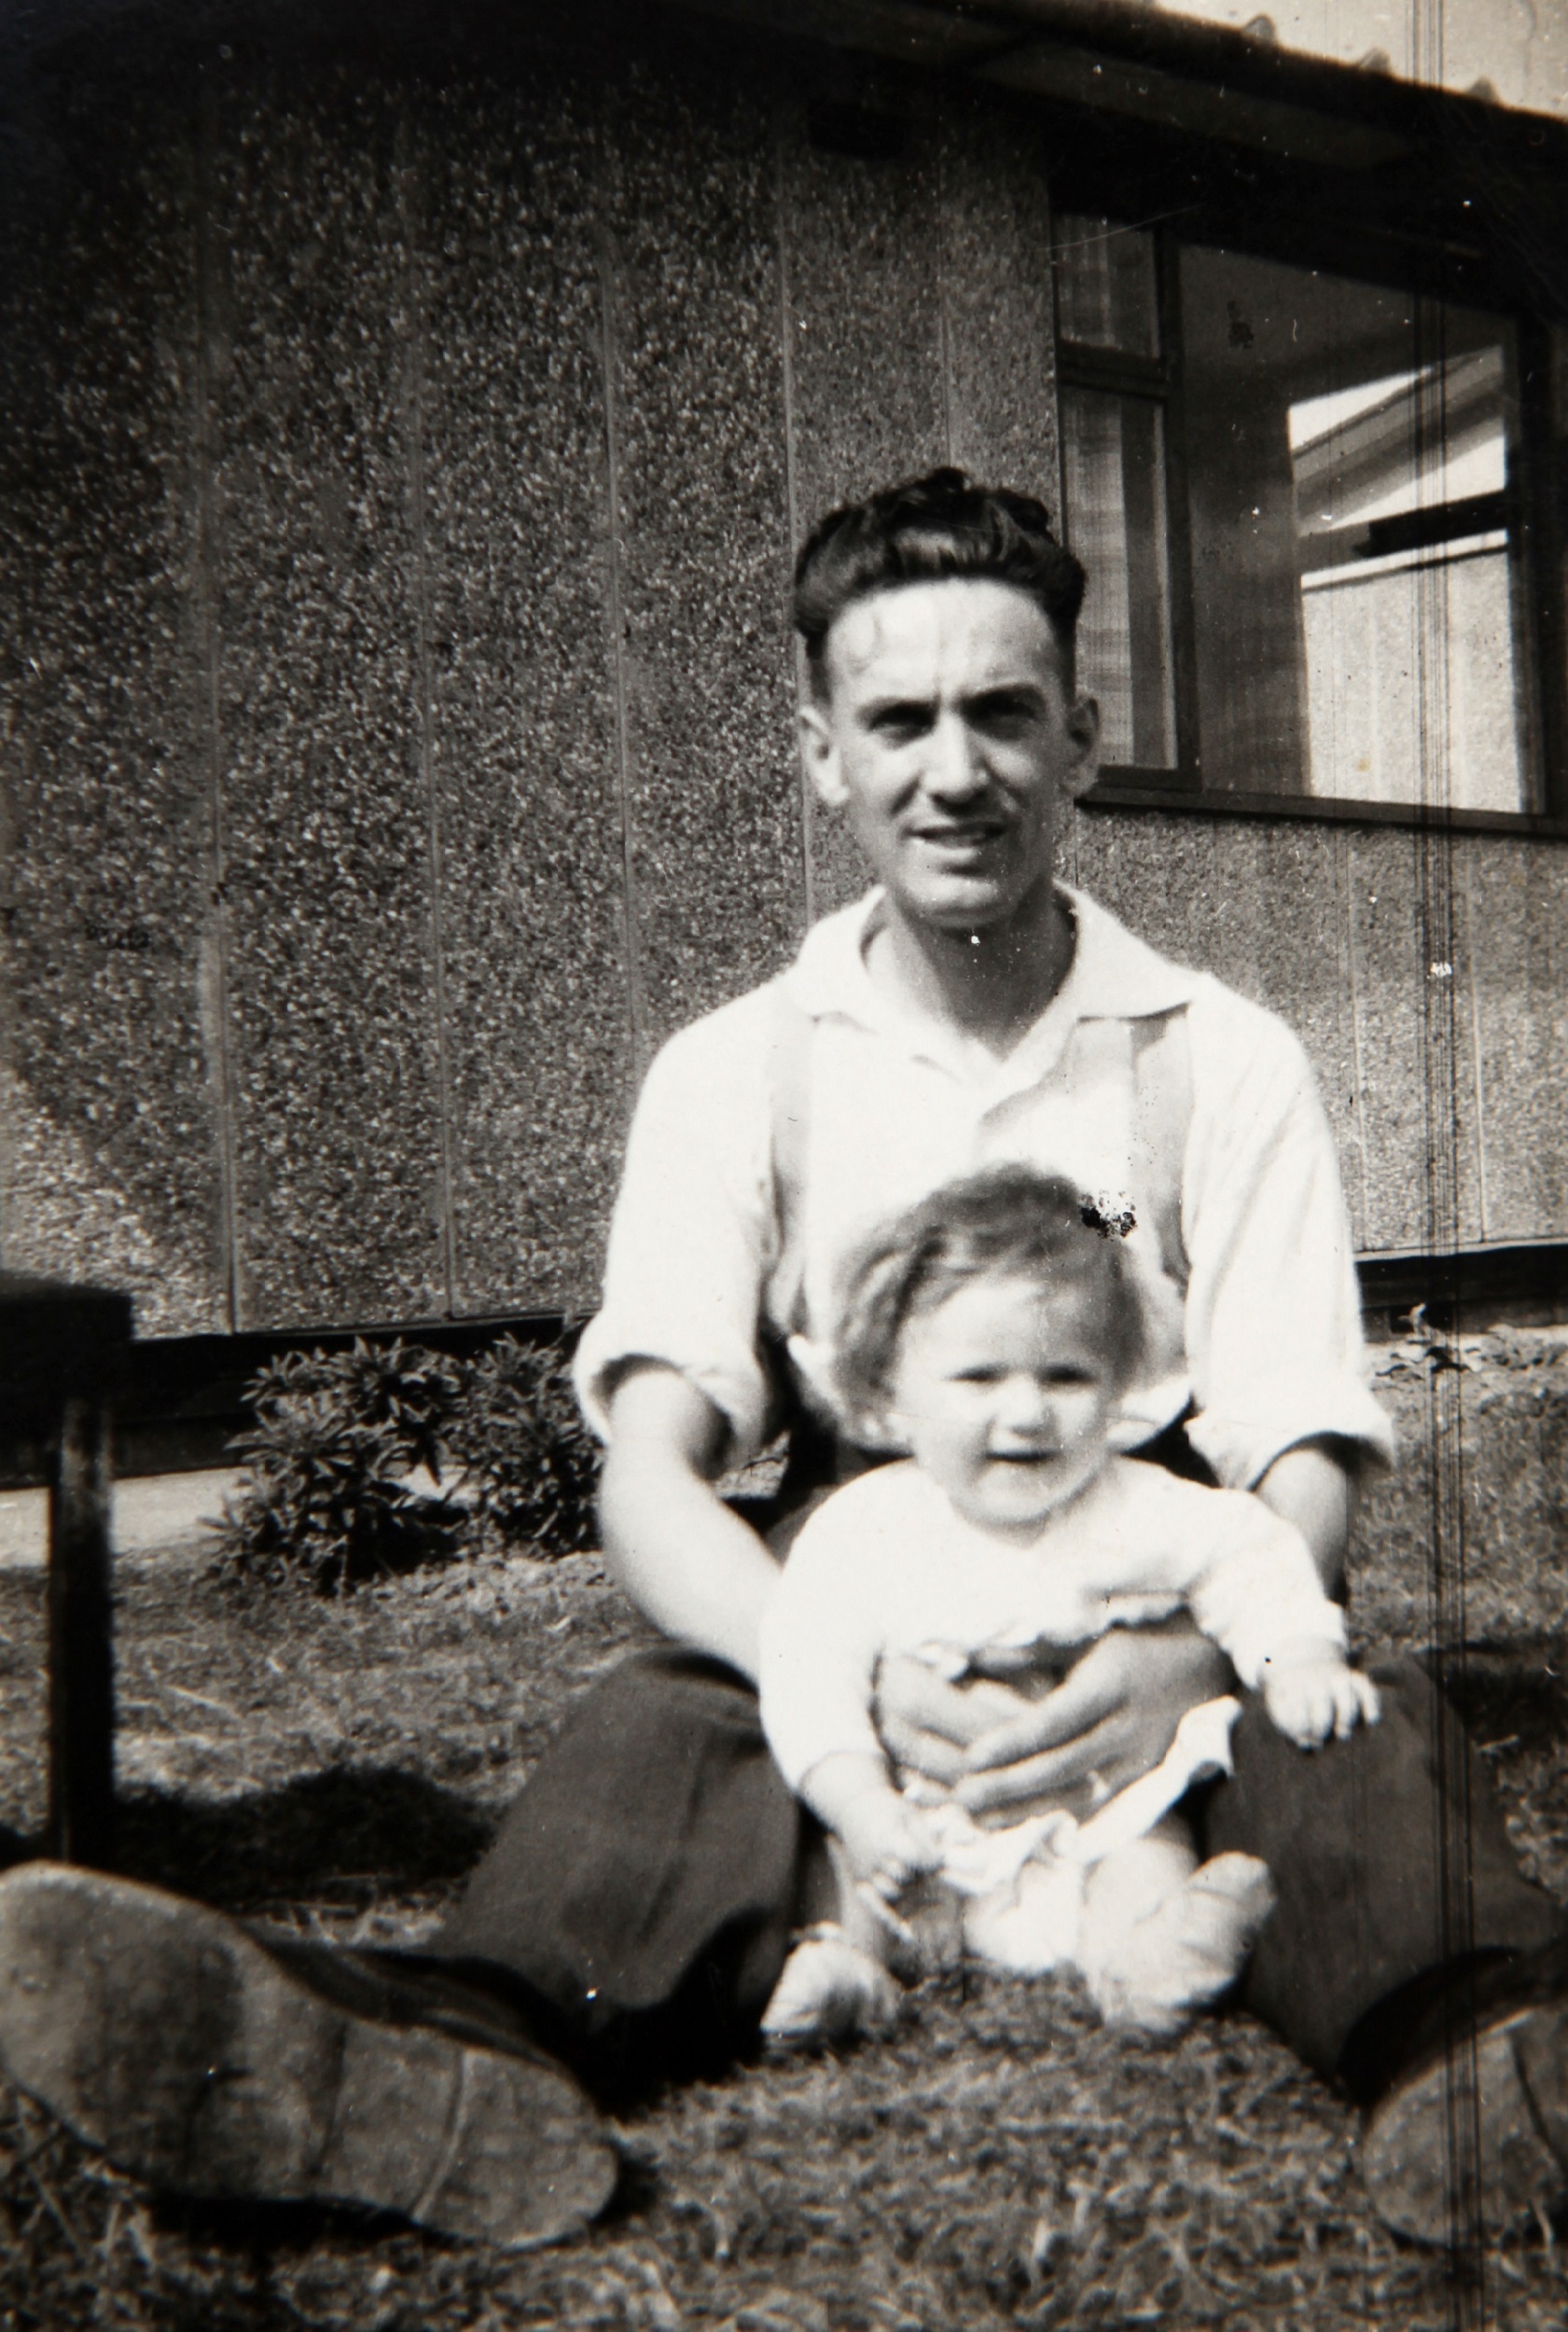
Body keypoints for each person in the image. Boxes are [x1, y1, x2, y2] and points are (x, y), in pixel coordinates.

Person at [0, 470, 1563, 2255]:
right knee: (663, 1722)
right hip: (857, 1574)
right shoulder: (742, 1069)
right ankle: (453, 2064)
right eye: (897, 721)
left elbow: (1300, 1441)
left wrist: (1181, 1654)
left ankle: (1486, 2052)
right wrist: (834, 1672)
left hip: (1157, 1560)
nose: (953, 771)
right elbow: (654, 1466)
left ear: (1085, 740)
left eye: (1003, 714)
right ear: (822, 754)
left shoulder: (1220, 1054)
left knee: (1361, 1717)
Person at [756, 1162, 1374, 2048]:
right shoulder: (864, 1529)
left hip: (1100, 1807)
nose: (1026, 1413)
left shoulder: (1140, 1506)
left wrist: (1297, 1658)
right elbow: (805, 1669)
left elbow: (1252, 1565)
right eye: (978, 1378)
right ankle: (849, 1964)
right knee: (848, 1870)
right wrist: (858, 1800)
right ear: (892, 1393)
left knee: (1145, 1852)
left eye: (1066, 1377)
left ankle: (1143, 1957)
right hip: (919, 1818)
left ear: (1119, 1386)